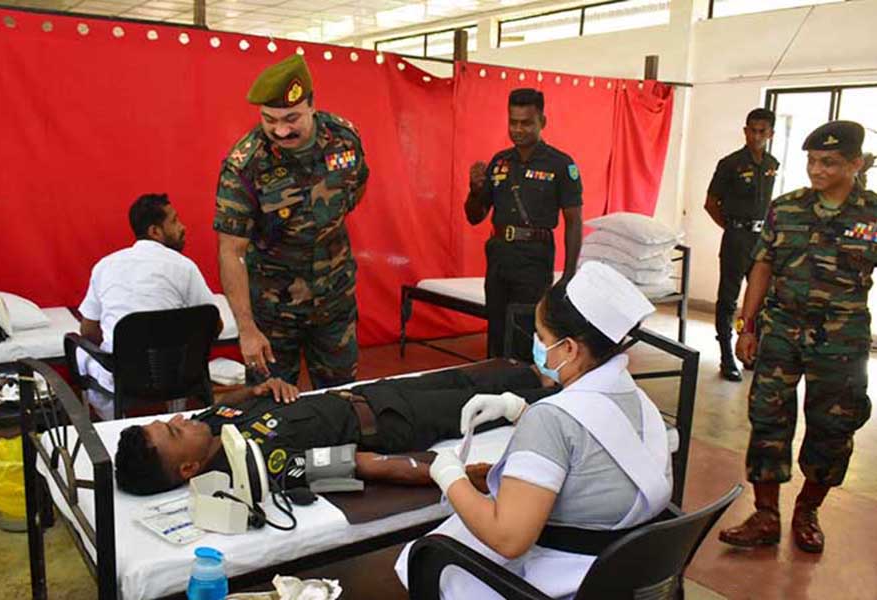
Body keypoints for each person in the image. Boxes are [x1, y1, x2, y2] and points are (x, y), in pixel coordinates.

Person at [395, 262, 672, 598]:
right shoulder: (639, 401)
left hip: (566, 580)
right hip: (624, 574)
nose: (537, 346)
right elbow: (598, 443)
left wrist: (450, 476)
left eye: (542, 337)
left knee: (425, 555)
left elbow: (507, 538)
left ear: (569, 348)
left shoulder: (552, 420)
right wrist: (519, 410)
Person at [719, 121, 874, 554]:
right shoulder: (785, 208)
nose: (817, 170)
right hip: (782, 330)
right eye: (811, 161)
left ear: (855, 164)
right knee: (768, 419)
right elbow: (762, 266)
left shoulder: (872, 213)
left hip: (842, 341)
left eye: (829, 162)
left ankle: (808, 510)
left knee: (833, 426)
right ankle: (765, 514)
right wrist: (746, 326)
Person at [115, 360, 557, 495]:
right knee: (485, 407)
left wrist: (254, 391)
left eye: (167, 420)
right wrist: (456, 477)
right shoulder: (264, 467)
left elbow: (225, 404)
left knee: (466, 378)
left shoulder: (209, 424)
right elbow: (363, 464)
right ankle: (566, 399)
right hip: (394, 422)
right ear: (190, 469)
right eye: (172, 432)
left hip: (372, 392)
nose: (179, 419)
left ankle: (542, 378)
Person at [215, 54, 369, 391]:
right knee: (270, 409)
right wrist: (246, 329)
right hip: (273, 314)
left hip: (334, 302)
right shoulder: (246, 164)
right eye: (270, 120)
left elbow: (355, 190)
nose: (281, 130)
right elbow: (231, 251)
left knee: (341, 401)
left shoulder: (344, 138)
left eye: (291, 118)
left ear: (312, 105)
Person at [77, 194, 222, 420]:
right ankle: (178, 418)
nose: (183, 227)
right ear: (155, 231)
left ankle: (112, 424)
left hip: (123, 377)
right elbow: (215, 325)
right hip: (179, 375)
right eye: (174, 221)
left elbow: (87, 331)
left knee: (79, 351)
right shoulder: (185, 267)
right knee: (180, 348)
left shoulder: (105, 266)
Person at [465, 88, 583, 361]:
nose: (518, 129)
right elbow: (475, 216)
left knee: (526, 333)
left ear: (542, 122)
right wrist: (474, 190)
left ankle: (524, 393)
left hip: (534, 259)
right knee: (496, 331)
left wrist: (568, 275)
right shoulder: (499, 162)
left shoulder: (560, 165)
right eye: (513, 122)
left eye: (526, 122)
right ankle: (496, 386)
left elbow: (573, 222)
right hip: (498, 257)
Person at [704, 108, 779, 381]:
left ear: (771, 134)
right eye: (752, 130)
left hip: (763, 238)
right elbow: (711, 204)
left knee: (759, 299)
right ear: (745, 130)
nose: (756, 136)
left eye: (762, 131)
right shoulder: (730, 163)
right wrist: (732, 228)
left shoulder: (772, 164)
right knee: (728, 299)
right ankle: (726, 356)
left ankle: (750, 351)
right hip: (737, 237)